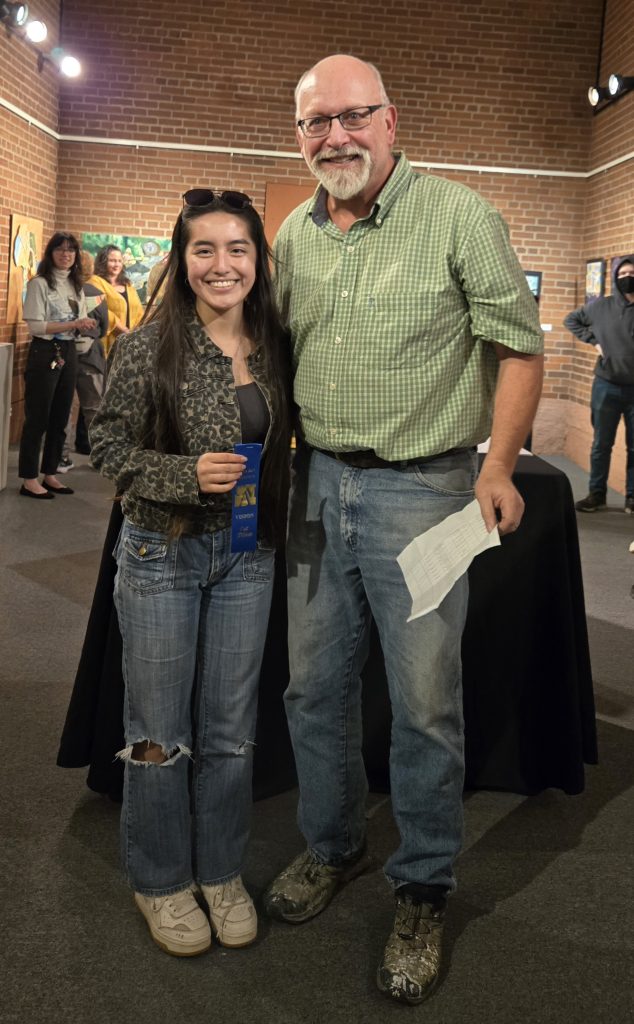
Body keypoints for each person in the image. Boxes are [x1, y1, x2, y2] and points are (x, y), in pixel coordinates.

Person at [262, 54, 544, 1005]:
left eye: (353, 116)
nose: (335, 136)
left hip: (425, 493)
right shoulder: (295, 233)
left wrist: (496, 468)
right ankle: (334, 843)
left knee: (424, 705)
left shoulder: (459, 216)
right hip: (316, 485)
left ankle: (422, 887)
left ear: (391, 121)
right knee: (312, 689)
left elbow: (520, 347)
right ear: (300, 136)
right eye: (317, 122)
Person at [89, 190, 290, 957]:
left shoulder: (273, 345)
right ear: (182, 258)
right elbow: (107, 448)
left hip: (247, 556)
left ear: (257, 259)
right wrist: (183, 474)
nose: (221, 264)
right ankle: (161, 878)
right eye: (204, 249)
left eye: (237, 248)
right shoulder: (148, 345)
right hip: (161, 556)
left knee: (232, 733)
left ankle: (220, 871)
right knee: (159, 734)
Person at [18, 231, 98, 499]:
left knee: (61, 416)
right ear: (50, 253)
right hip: (44, 351)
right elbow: (36, 326)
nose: (66, 254)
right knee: (38, 417)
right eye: (60, 249)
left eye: (71, 250)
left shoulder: (76, 286)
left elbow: (80, 318)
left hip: (69, 351)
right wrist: (73, 323)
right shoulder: (39, 284)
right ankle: (29, 479)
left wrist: (85, 324)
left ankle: (50, 473)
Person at [564, 255, 634, 513]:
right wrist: (593, 341)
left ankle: (632, 497)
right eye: (623, 274)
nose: (628, 278)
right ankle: (596, 494)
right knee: (601, 444)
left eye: (632, 274)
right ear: (616, 278)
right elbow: (571, 320)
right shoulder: (601, 306)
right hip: (606, 385)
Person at [60, 251, 109, 464]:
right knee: (95, 409)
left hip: (63, 354)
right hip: (91, 358)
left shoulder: (61, 291)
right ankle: (98, 457)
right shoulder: (96, 294)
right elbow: (104, 327)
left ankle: (60, 456)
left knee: (63, 408)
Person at [89, 244, 144, 358]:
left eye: (119, 261)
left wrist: (136, 334)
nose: (117, 264)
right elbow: (100, 309)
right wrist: (122, 330)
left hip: (129, 344)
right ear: (103, 262)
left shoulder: (128, 285)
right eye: (112, 261)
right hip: (107, 343)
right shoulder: (94, 281)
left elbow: (139, 311)